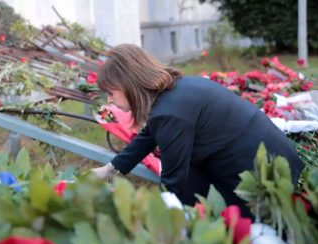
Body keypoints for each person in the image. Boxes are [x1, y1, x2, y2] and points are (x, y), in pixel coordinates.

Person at [91, 44, 304, 217]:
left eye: (110, 93)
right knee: (191, 189)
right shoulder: (175, 91)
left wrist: (155, 223)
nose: (109, 101)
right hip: (271, 160)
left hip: (264, 181)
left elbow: (173, 182)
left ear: (130, 85)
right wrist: (110, 169)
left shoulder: (170, 112)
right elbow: (150, 134)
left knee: (191, 199)